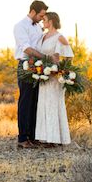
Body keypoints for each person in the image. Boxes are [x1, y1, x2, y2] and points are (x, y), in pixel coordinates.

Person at [34, 12, 74, 146]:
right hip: (43, 77)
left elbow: (68, 55)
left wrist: (61, 71)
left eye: (44, 19)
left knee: (53, 105)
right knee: (44, 105)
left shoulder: (59, 37)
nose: (42, 22)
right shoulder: (43, 36)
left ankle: (55, 139)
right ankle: (46, 137)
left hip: (55, 78)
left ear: (50, 21)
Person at [14, 0, 48, 149]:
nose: (42, 18)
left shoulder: (39, 28)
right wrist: (44, 57)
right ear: (33, 12)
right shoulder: (20, 26)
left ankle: (33, 137)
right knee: (25, 102)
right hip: (26, 65)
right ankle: (22, 138)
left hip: (39, 66)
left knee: (36, 102)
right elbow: (26, 48)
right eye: (41, 15)